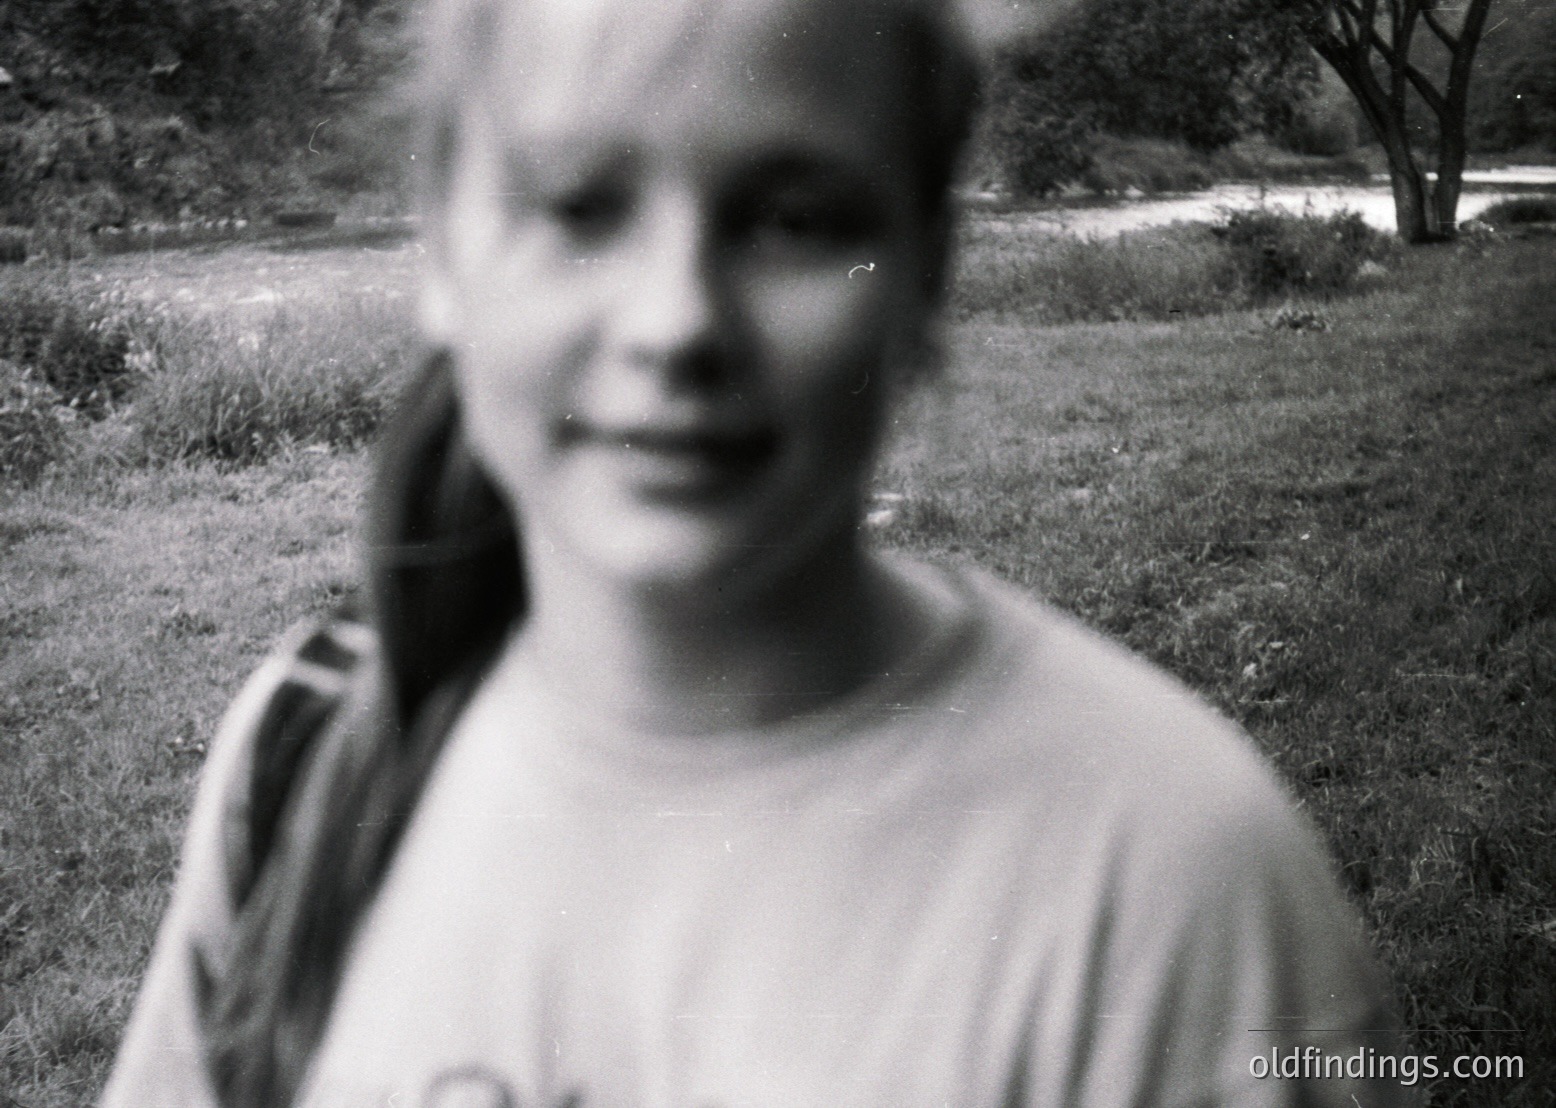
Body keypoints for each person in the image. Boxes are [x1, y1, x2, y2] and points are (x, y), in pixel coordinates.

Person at [103, 1, 1418, 1105]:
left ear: (924, 275)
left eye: (794, 218)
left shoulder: (1172, 892)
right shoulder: (301, 767)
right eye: (577, 204)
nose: (677, 322)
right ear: (441, 246)